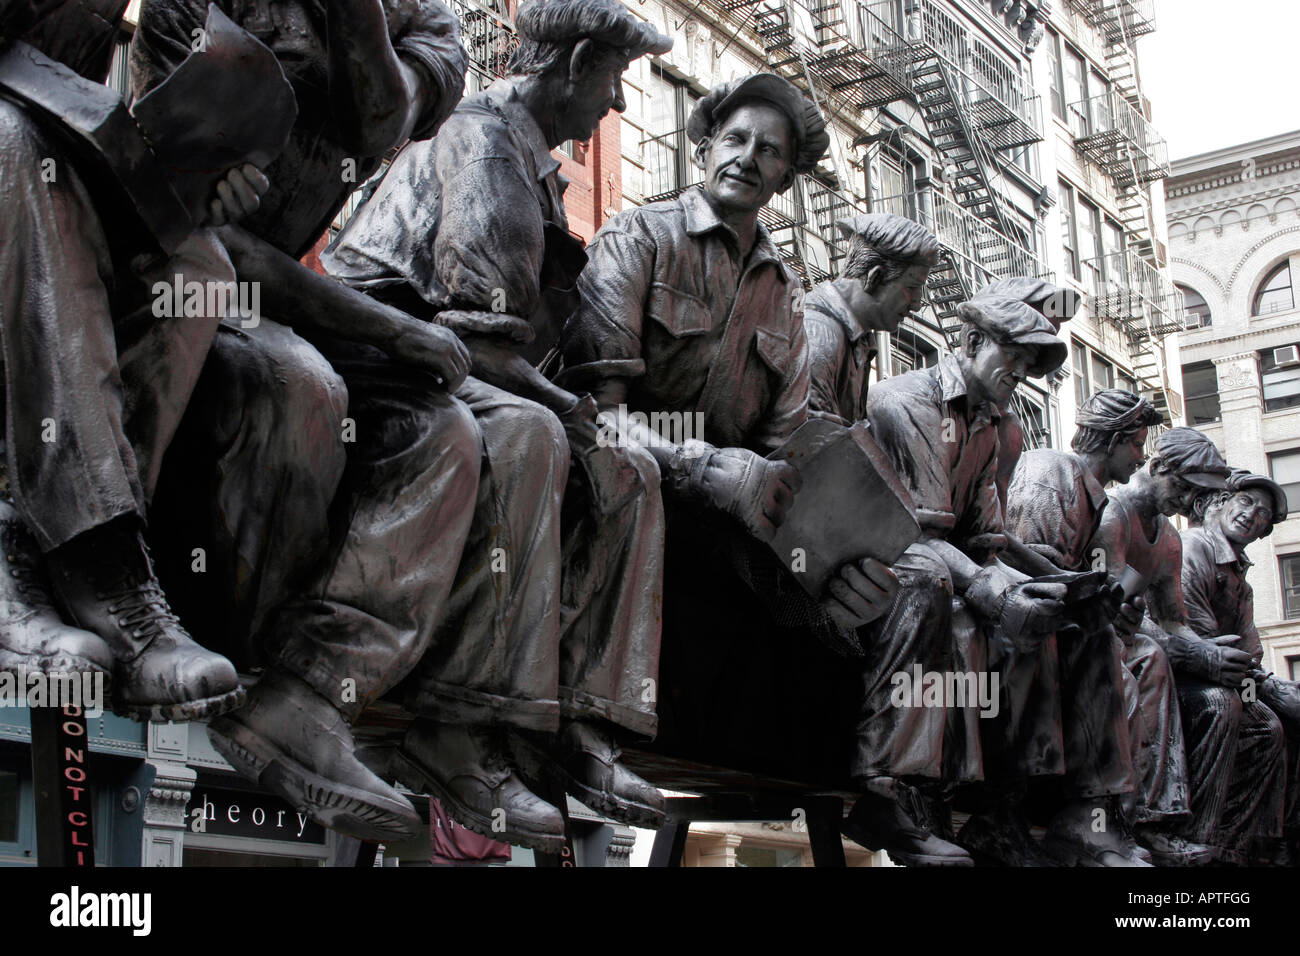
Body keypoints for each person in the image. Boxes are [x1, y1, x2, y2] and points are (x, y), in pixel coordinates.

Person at [322, 0, 674, 848]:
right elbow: (473, 343)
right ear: (578, 59)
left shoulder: (537, 165)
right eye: (615, 80)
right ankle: (458, 728)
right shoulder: (485, 138)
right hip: (377, 359)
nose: (617, 105)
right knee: (534, 435)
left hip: (449, 365)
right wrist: (570, 412)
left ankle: (582, 730)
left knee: (632, 472)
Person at [131, 0, 481, 841]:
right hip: (175, 274)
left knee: (447, 433)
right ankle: (220, 658)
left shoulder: (426, 22)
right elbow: (183, 223)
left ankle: (313, 690)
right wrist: (387, 325)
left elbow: (380, 121)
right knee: (300, 390)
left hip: (283, 294)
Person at [0, 0, 284, 720]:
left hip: (59, 164)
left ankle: (108, 582)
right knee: (22, 154)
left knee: (195, 269)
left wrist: (198, 179)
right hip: (19, 152)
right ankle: (85, 561)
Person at [1090, 427, 1273, 864]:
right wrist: (1202, 655)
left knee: (1251, 716)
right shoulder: (1112, 514)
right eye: (1185, 485)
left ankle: (1214, 840)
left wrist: (1211, 652)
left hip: (1145, 650)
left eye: (1198, 491)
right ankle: (1147, 822)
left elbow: (1175, 622)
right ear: (1157, 468)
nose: (1190, 498)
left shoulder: (1169, 539)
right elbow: (1115, 611)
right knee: (1201, 694)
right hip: (1104, 645)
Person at [999, 389, 1165, 865]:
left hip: (1063, 620)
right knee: (1104, 655)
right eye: (1136, 443)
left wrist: (1117, 606)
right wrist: (1084, 597)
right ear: (1111, 440)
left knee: (1137, 657)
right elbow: (1022, 559)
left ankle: (1115, 817)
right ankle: (1086, 814)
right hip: (1018, 615)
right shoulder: (1055, 470)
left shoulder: (1098, 500)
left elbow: (1096, 581)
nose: (1141, 454)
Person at [1179, 470, 1290, 863]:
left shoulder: (1241, 581)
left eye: (1262, 515)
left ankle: (1257, 841)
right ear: (1222, 502)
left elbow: (1250, 652)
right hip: (1182, 674)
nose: (1251, 515)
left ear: (1263, 533)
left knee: (1275, 721)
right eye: (1245, 502)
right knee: (1227, 707)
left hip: (1228, 677)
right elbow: (1199, 635)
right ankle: (1202, 835)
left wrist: (1267, 692)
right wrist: (1252, 682)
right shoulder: (1194, 546)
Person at [803, 213, 939, 424]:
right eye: (912, 288)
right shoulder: (820, 333)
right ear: (874, 277)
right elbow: (814, 444)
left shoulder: (859, 339)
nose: (917, 304)